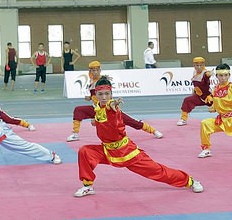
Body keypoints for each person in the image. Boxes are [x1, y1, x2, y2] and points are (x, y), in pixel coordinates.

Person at [74, 77, 204, 197]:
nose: (104, 97)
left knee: (158, 171)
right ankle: (88, 186)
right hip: (107, 151)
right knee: (85, 151)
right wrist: (96, 121)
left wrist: (112, 106)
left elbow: (111, 109)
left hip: (126, 152)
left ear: (111, 94)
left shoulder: (112, 108)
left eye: (107, 94)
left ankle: (189, 181)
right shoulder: (97, 109)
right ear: (95, 95)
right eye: (100, 94)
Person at [67, 61, 163, 142]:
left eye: (97, 70)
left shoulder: (102, 81)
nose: (95, 72)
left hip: (109, 107)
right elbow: (95, 95)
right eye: (93, 70)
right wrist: (89, 97)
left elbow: (107, 95)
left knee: (132, 122)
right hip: (97, 107)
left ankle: (153, 130)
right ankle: (75, 134)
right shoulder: (91, 80)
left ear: (100, 70)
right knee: (78, 110)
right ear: (90, 71)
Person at [178, 57, 213, 126]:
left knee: (221, 105)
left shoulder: (205, 73)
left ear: (204, 65)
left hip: (209, 97)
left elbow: (206, 76)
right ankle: (183, 119)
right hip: (199, 97)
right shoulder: (194, 72)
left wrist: (209, 74)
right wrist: (193, 93)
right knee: (187, 100)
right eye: (197, 65)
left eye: (201, 65)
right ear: (194, 65)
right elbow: (196, 86)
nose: (199, 67)